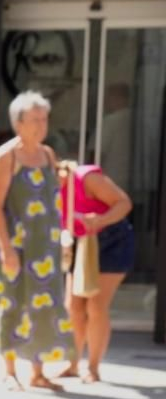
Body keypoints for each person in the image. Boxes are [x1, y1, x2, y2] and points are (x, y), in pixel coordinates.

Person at [0, 91, 74, 392]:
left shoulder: (47, 154)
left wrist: (63, 235)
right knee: (12, 301)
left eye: (44, 119)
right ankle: (9, 371)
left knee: (44, 303)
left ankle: (38, 371)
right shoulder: (6, 156)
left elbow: (52, 198)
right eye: (35, 119)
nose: (41, 125)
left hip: (43, 244)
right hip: (13, 242)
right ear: (18, 123)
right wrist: (7, 250)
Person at [57, 161, 134, 383]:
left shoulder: (86, 178)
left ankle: (93, 368)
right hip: (78, 243)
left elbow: (124, 203)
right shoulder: (45, 193)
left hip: (111, 241)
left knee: (96, 305)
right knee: (73, 306)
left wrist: (101, 219)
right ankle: (72, 365)